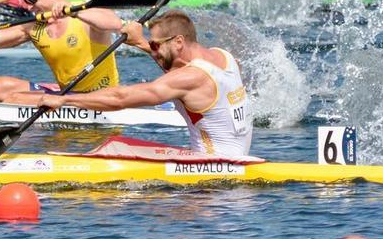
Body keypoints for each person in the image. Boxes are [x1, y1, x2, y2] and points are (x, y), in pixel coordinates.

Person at [38, 10, 253, 157]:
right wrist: (141, 43)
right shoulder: (224, 57)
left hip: (213, 172)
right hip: (234, 161)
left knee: (116, 153)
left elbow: (120, 98)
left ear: (179, 41)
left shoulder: (190, 78)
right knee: (118, 146)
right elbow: (177, 63)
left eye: (155, 44)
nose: (153, 49)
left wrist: (65, 99)